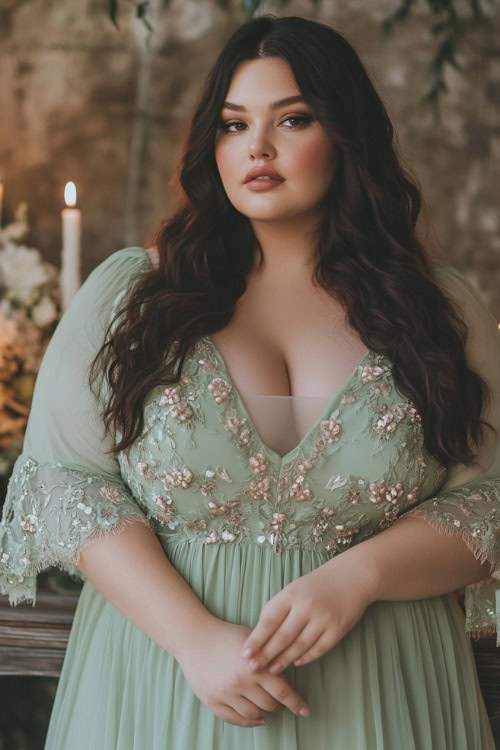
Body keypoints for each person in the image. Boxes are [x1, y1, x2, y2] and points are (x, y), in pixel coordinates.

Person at [0, 13, 498, 749]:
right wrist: (193, 636)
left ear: (346, 135)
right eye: (233, 125)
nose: (257, 148)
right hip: (164, 682)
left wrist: (359, 576)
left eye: (292, 119)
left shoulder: (440, 307)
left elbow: (488, 501)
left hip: (385, 687)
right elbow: (65, 483)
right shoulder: (133, 294)